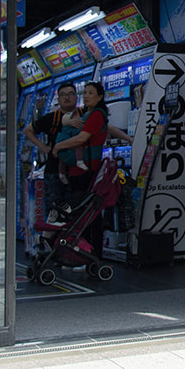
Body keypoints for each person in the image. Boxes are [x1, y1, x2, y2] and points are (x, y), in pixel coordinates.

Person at [51, 82, 131, 256]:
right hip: (77, 172)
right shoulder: (87, 114)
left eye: (91, 93)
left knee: (87, 216)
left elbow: (82, 138)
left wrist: (58, 146)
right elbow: (107, 129)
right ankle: (82, 254)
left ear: (100, 96)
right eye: (85, 92)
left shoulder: (96, 115)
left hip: (86, 172)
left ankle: (90, 255)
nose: (86, 96)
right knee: (83, 215)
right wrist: (129, 139)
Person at [23, 83, 81, 223]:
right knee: (54, 212)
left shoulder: (84, 116)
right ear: (59, 99)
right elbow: (28, 130)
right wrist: (44, 148)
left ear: (76, 97)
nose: (67, 98)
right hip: (54, 171)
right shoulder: (51, 118)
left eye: (70, 94)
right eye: (63, 95)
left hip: (78, 172)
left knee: (77, 212)